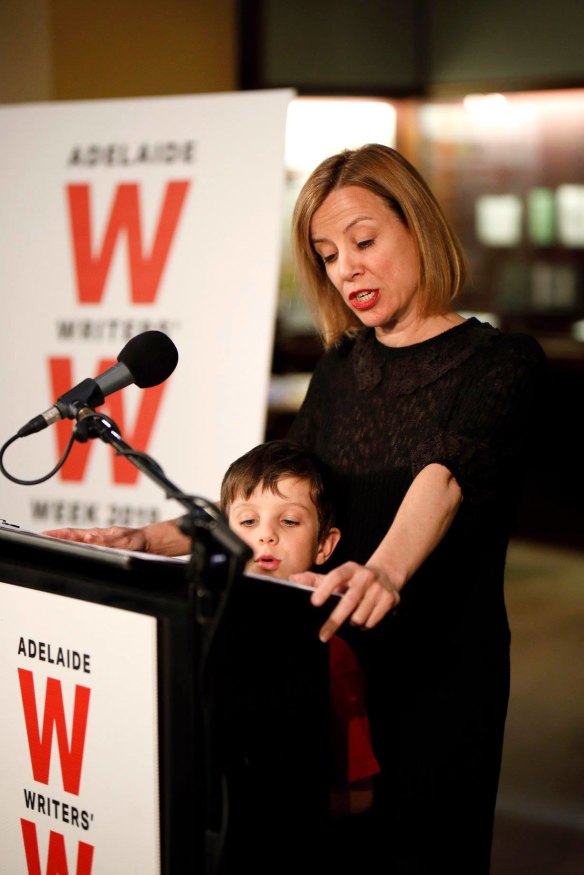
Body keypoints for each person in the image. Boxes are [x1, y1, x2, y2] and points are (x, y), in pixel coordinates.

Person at [46, 143, 547, 873]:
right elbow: (275, 502)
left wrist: (381, 570)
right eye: (328, 254)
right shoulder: (342, 368)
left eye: (364, 241)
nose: (346, 268)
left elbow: (442, 476)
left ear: (419, 227)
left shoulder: (503, 363)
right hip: (328, 672)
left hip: (438, 687)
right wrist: (153, 538)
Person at [219, 438, 380, 819]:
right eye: (247, 520)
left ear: (325, 545)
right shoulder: (205, 629)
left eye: (288, 521)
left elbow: (359, 795)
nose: (265, 535)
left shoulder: (332, 655)